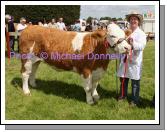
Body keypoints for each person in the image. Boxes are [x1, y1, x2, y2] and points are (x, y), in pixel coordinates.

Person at [117, 11, 146, 107]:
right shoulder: (126, 32)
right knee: (123, 80)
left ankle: (134, 100)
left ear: (138, 22)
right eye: (131, 19)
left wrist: (133, 43)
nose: (133, 21)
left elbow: (141, 46)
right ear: (129, 21)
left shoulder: (141, 33)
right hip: (125, 59)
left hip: (134, 61)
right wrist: (120, 41)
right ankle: (122, 96)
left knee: (135, 83)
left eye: (135, 19)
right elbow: (122, 44)